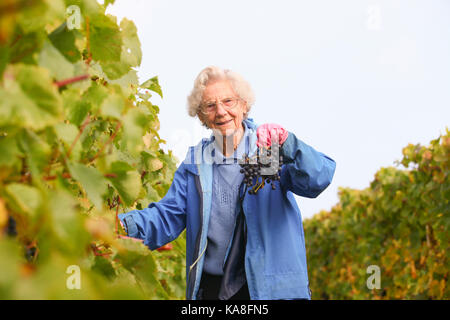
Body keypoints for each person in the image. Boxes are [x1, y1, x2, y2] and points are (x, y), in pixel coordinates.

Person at [118, 66, 336, 300]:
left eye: (228, 101)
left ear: (244, 105)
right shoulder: (195, 164)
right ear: (201, 116)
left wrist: (288, 142)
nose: (221, 111)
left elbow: (318, 178)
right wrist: (120, 226)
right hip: (214, 292)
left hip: (270, 291)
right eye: (210, 106)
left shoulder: (270, 151)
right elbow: (165, 217)